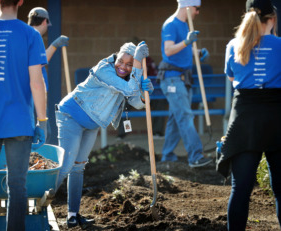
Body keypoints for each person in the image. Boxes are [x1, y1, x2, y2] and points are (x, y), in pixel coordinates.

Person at [55, 41, 153, 229]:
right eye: (121, 61)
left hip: (92, 124)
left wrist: (144, 92)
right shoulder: (104, 69)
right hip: (71, 115)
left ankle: (73, 215)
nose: (123, 67)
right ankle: (37, 203)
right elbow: (129, 89)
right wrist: (138, 66)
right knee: (66, 165)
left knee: (78, 167)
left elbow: (137, 101)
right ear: (116, 57)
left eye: (129, 64)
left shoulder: (127, 79)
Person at [0, 0, 48, 230]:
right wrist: (42, 121)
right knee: (17, 185)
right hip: (20, 122)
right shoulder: (31, 34)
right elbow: (37, 84)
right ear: (20, 1)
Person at [216, 0, 281, 230]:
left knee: (240, 189)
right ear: (272, 19)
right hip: (276, 116)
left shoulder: (233, 44)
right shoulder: (279, 45)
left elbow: (233, 79)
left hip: (244, 117)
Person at [157, 0, 212, 167]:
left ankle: (167, 155)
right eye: (197, 8)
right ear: (188, 6)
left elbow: (183, 49)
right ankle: (195, 156)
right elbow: (168, 50)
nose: (198, 12)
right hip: (172, 79)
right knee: (185, 116)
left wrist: (198, 51)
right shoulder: (171, 25)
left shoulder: (184, 25)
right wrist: (187, 42)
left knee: (176, 118)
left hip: (182, 79)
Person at [28, 7, 69, 142]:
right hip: (34, 94)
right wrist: (55, 45)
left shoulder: (27, 35)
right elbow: (39, 63)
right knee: (43, 134)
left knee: (37, 133)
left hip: (29, 93)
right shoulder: (34, 36)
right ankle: (36, 161)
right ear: (45, 22)